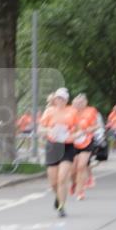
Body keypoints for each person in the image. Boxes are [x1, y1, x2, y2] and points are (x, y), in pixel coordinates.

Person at [39, 87, 77, 217]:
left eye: (62, 99)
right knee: (53, 182)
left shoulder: (72, 111)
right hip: (53, 147)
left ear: (66, 100)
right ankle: (58, 197)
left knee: (62, 179)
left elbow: (78, 129)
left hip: (67, 146)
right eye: (58, 98)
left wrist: (72, 135)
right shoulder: (49, 111)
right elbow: (40, 128)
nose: (59, 101)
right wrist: (48, 131)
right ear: (55, 100)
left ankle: (61, 207)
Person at [71, 93, 98, 200]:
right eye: (77, 102)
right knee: (73, 169)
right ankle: (74, 183)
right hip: (72, 143)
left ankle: (80, 191)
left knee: (81, 166)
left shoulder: (91, 111)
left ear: (86, 103)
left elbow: (96, 125)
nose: (79, 104)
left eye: (82, 102)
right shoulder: (70, 112)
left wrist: (90, 129)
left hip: (86, 141)